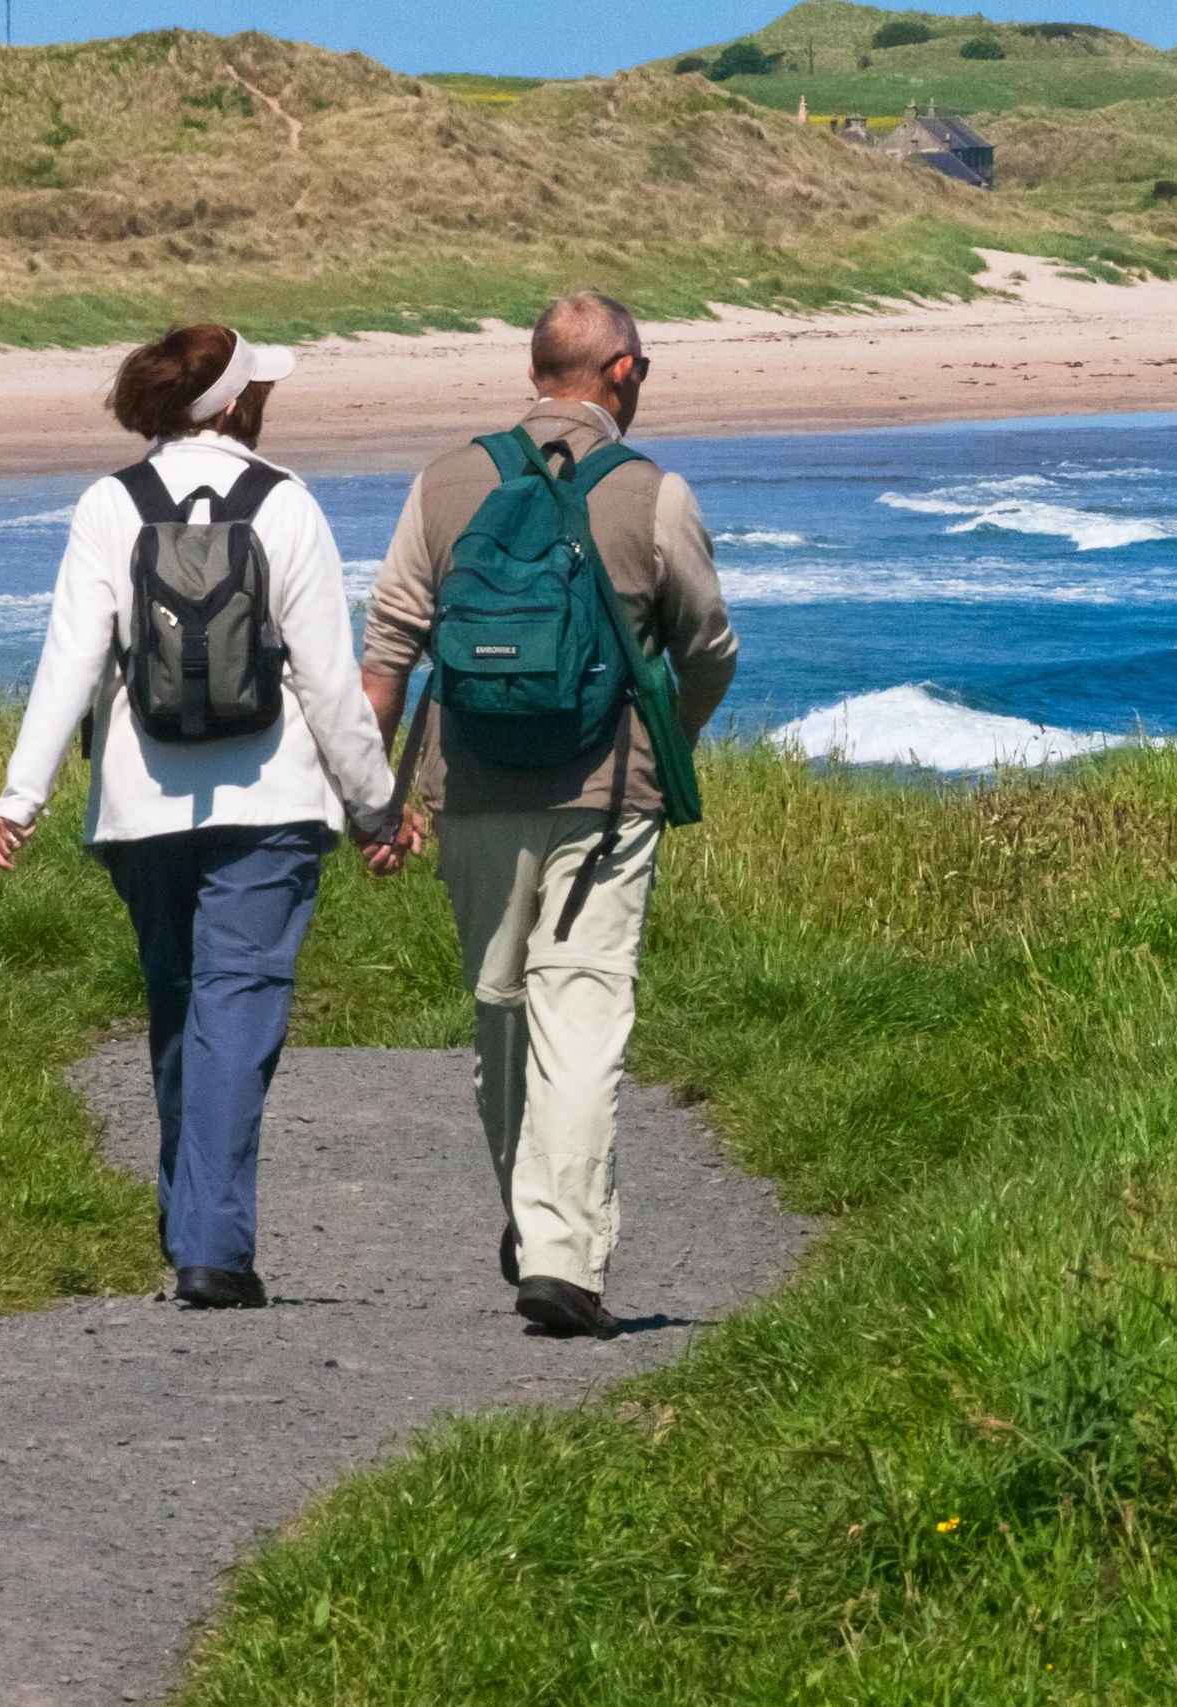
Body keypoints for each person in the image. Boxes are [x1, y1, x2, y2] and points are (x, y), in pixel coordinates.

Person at [0, 325, 403, 1311]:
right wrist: (375, 806)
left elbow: (71, 660)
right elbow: (327, 679)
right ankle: (211, 1247)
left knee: (180, 1009)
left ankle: (191, 1230)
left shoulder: (110, 504)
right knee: (236, 1008)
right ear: (235, 405)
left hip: (141, 804)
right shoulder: (285, 502)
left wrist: (21, 796)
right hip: (271, 802)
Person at [359, 292, 738, 1339]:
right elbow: (708, 648)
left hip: (472, 788)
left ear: (535, 373)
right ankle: (561, 1254)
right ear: (621, 374)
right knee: (581, 1009)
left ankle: (535, 1230)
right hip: (607, 797)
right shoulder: (652, 493)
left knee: (499, 1005)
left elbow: (388, 652)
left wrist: (374, 800)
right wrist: (665, 743)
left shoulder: (444, 482)